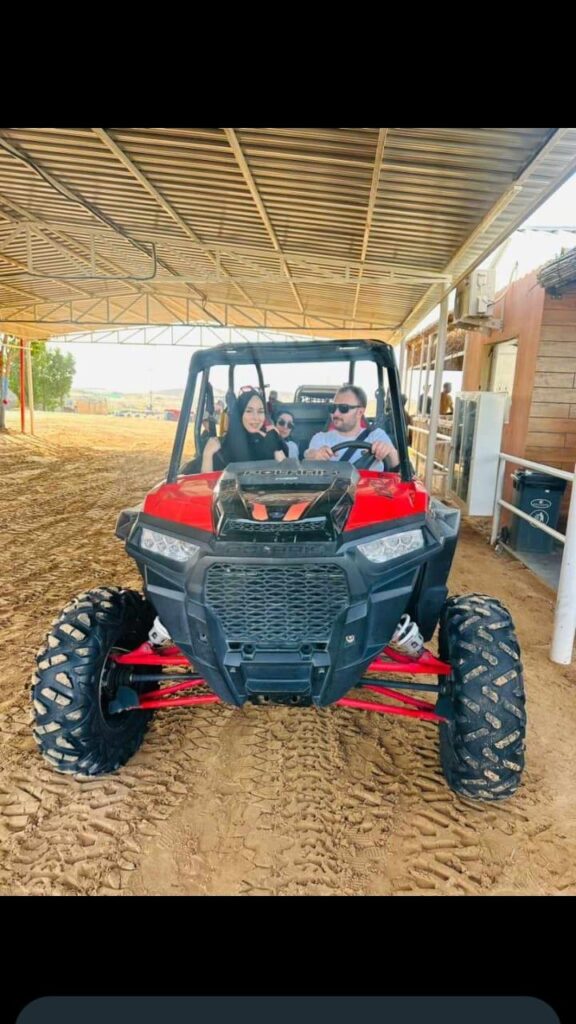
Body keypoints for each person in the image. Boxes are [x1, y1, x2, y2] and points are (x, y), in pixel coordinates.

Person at [304, 385, 399, 471]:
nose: (335, 413)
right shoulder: (321, 438)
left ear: (360, 412)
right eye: (332, 408)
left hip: (370, 489)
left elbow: (397, 466)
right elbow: (309, 455)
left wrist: (388, 451)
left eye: (343, 408)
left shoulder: (376, 436)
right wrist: (315, 456)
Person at [201, 389, 288, 473]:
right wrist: (207, 455)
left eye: (260, 411)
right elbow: (205, 485)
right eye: (249, 411)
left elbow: (288, 481)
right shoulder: (219, 446)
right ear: (239, 413)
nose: (256, 417)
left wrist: (283, 465)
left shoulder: (272, 441)